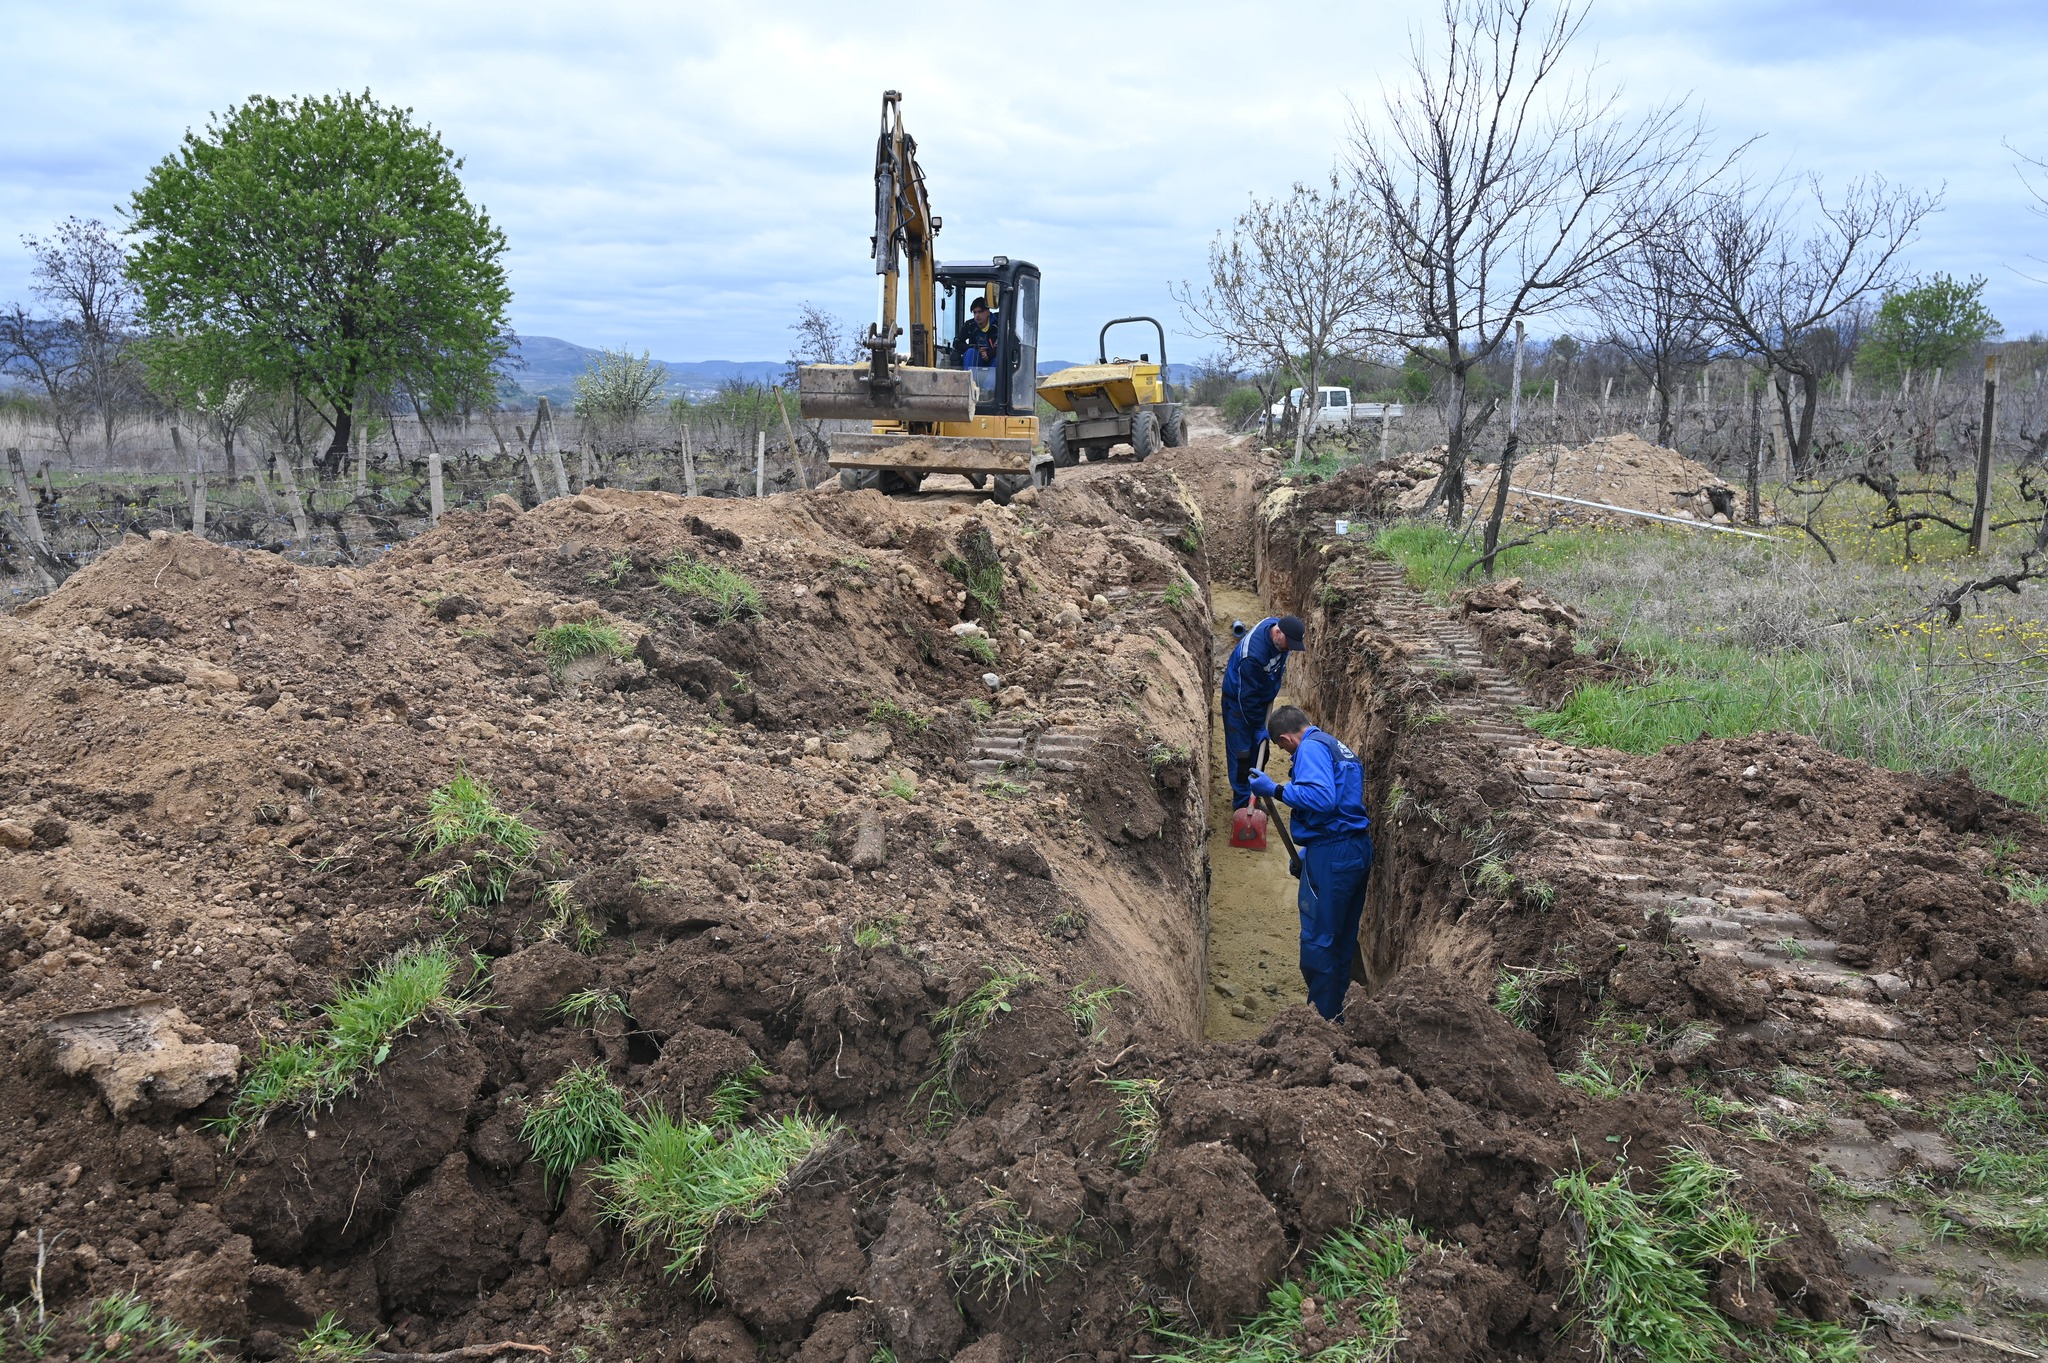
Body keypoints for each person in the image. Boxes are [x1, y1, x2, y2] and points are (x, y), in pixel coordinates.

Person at [1247, 705, 1373, 1021]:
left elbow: (1321, 798)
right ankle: (1342, 1016)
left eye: (1282, 746)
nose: (1286, 752)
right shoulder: (1337, 747)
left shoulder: (1311, 749)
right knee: (1342, 937)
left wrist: (1275, 789)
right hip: (1352, 849)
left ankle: (1321, 1022)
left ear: (1288, 737)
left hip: (1334, 856)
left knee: (1319, 941)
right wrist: (1311, 850)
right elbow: (1341, 805)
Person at [1219, 614, 1305, 809]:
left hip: (1258, 697)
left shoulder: (1279, 635)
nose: (1289, 648)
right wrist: (1258, 726)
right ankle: (1242, 805)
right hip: (1238, 706)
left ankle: (1254, 795)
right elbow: (1246, 699)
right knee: (1242, 755)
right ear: (1278, 632)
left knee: (1260, 751)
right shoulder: (1252, 656)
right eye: (1288, 644)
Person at [956, 296, 1000, 398]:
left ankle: (987, 393)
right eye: (974, 312)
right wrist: (976, 349)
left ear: (988, 312)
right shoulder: (970, 325)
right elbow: (957, 343)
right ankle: (969, 388)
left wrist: (991, 353)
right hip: (977, 359)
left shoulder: (999, 324)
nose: (977, 315)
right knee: (970, 352)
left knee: (1000, 358)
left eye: (980, 312)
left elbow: (1008, 345)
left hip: (993, 359)